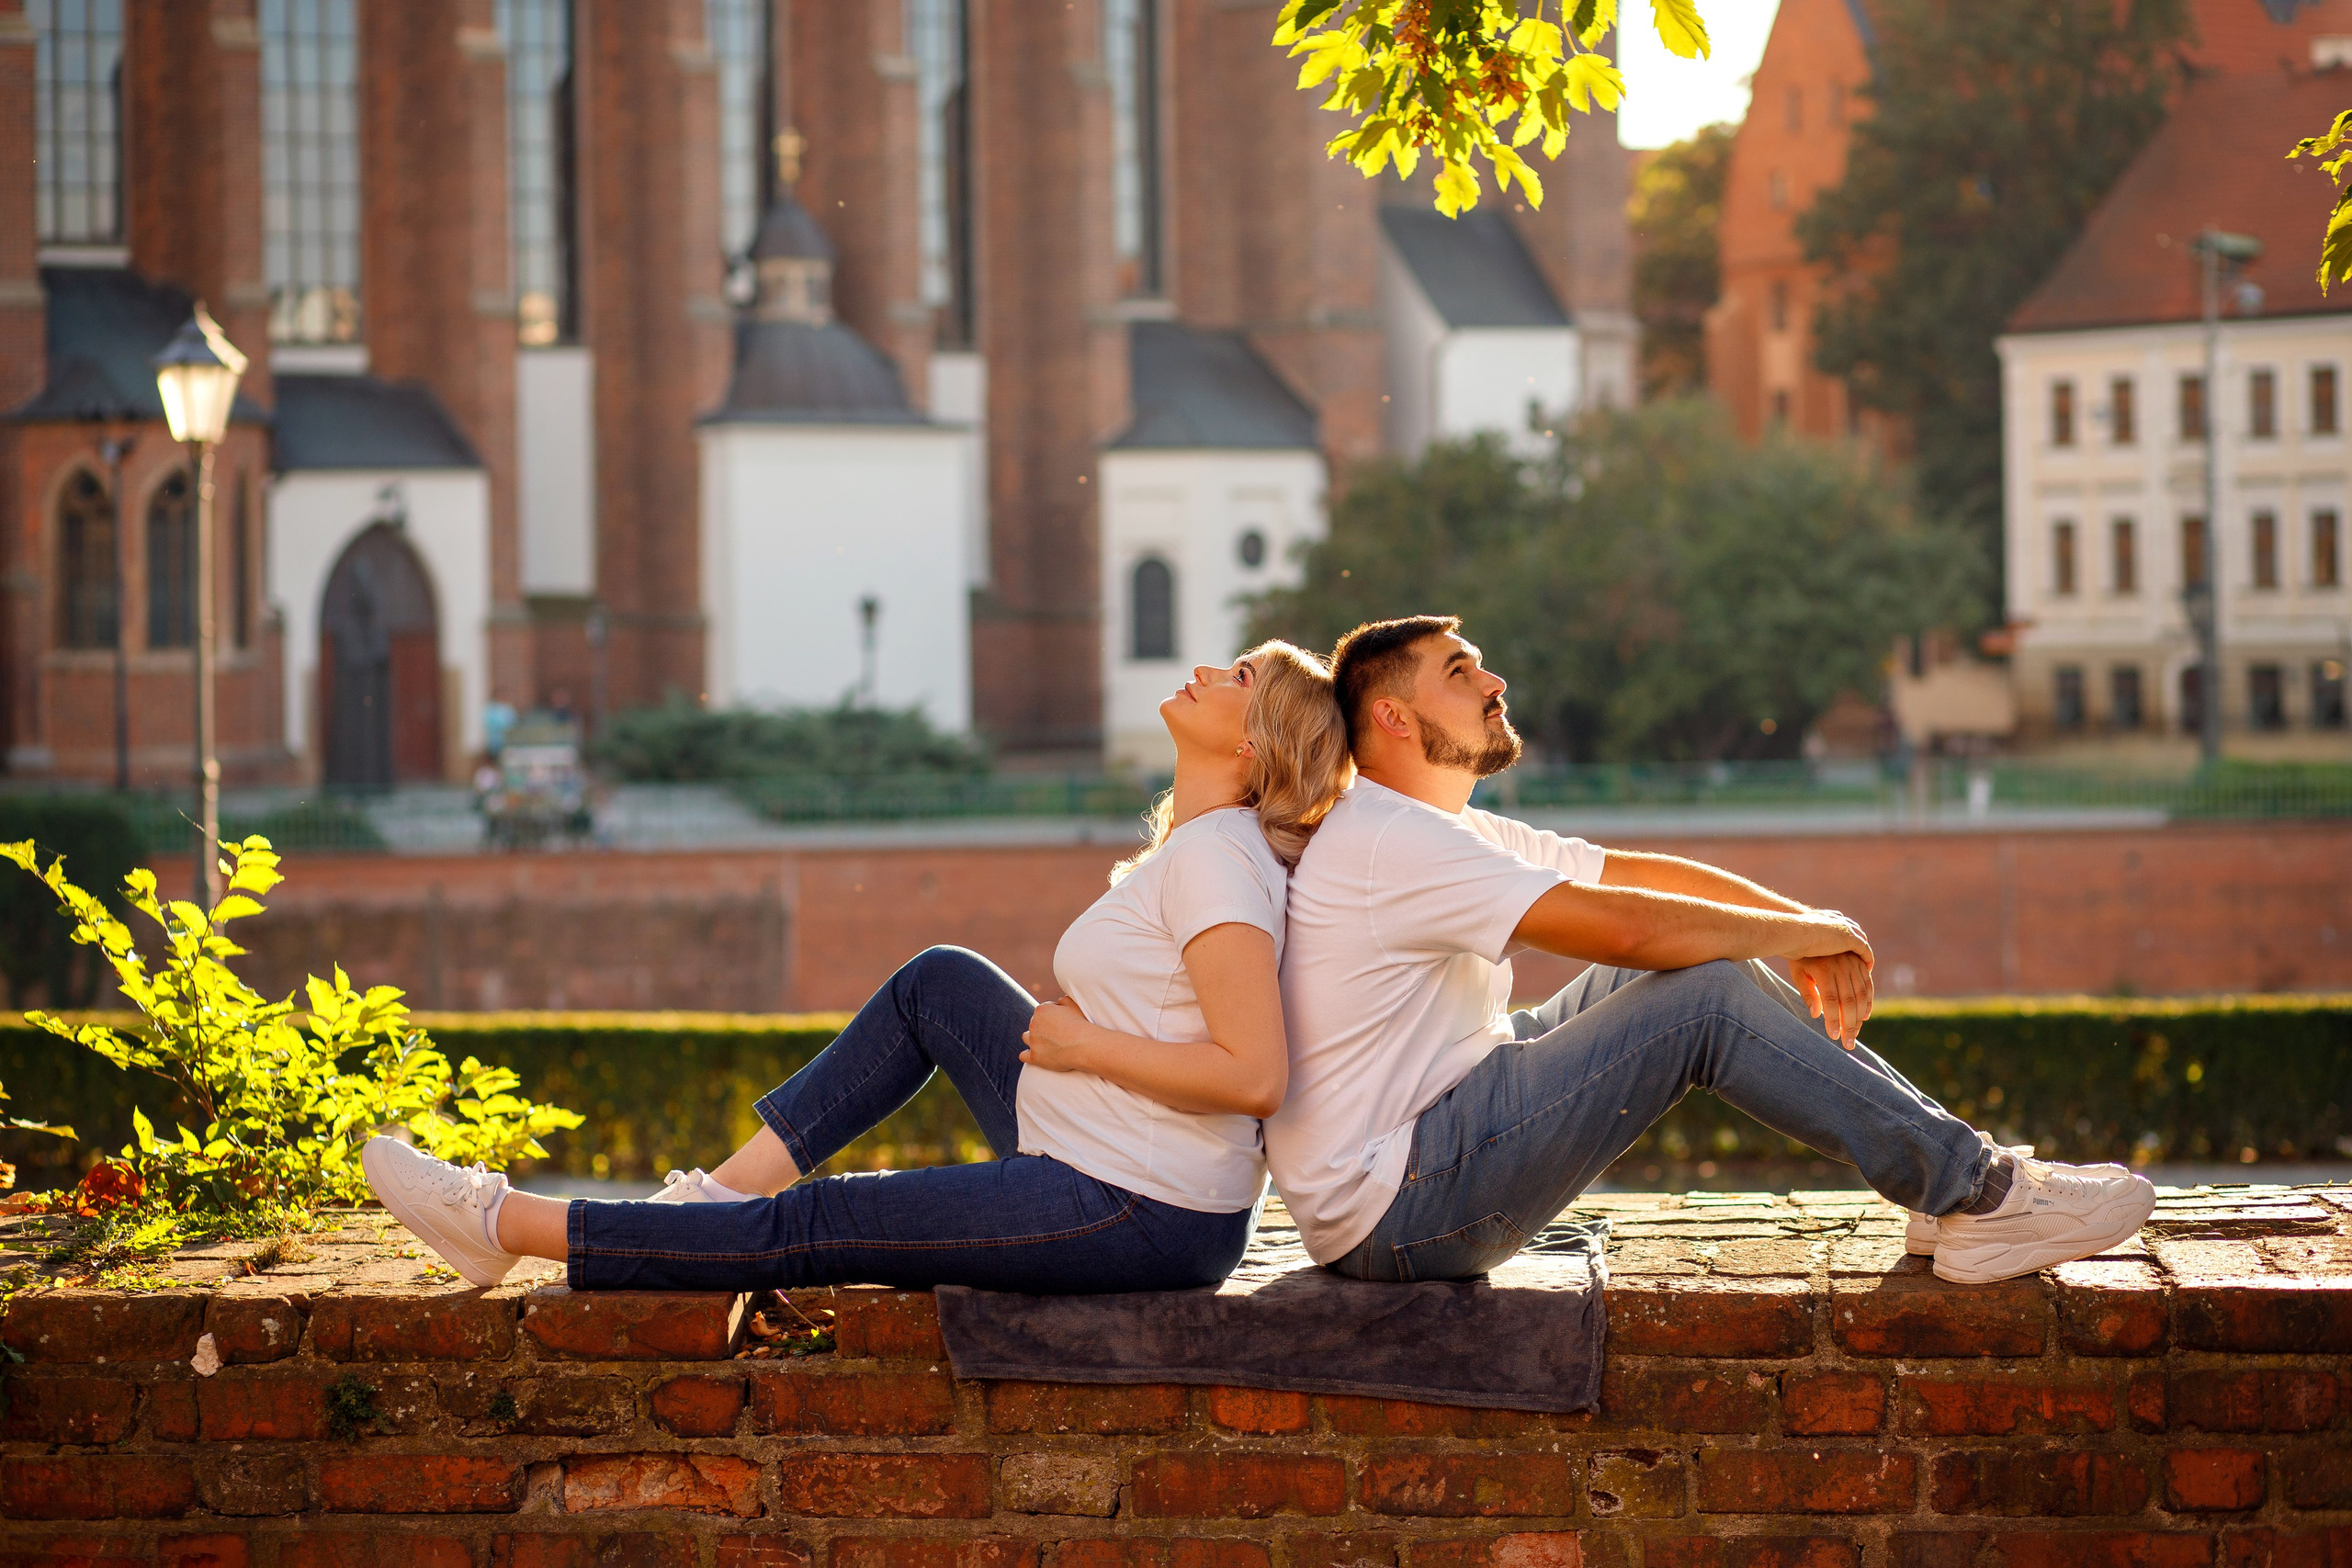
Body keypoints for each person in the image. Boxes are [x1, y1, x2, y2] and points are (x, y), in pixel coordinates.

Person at [364, 641, 1351, 1294]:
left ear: (1259, 742)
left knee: (827, 1220)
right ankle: (711, 1202)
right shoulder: (1200, 847)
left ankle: (505, 1226)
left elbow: (1252, 1075)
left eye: (1237, 677)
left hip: (1141, 1209)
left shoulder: (1220, 862)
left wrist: (1085, 1043)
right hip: (1111, 1158)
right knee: (941, 982)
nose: (1206, 669)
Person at [1265, 615, 2154, 1289]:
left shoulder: (1426, 825)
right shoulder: (1394, 841)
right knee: (1702, 1001)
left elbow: (1634, 879)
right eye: (1461, 673)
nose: (1495, 680)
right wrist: (1801, 938)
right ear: (1392, 715)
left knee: (1693, 970)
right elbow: (1627, 928)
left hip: (1437, 1130)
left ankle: (1945, 1184)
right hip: (1401, 1202)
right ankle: (1981, 1195)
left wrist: (1809, 919)